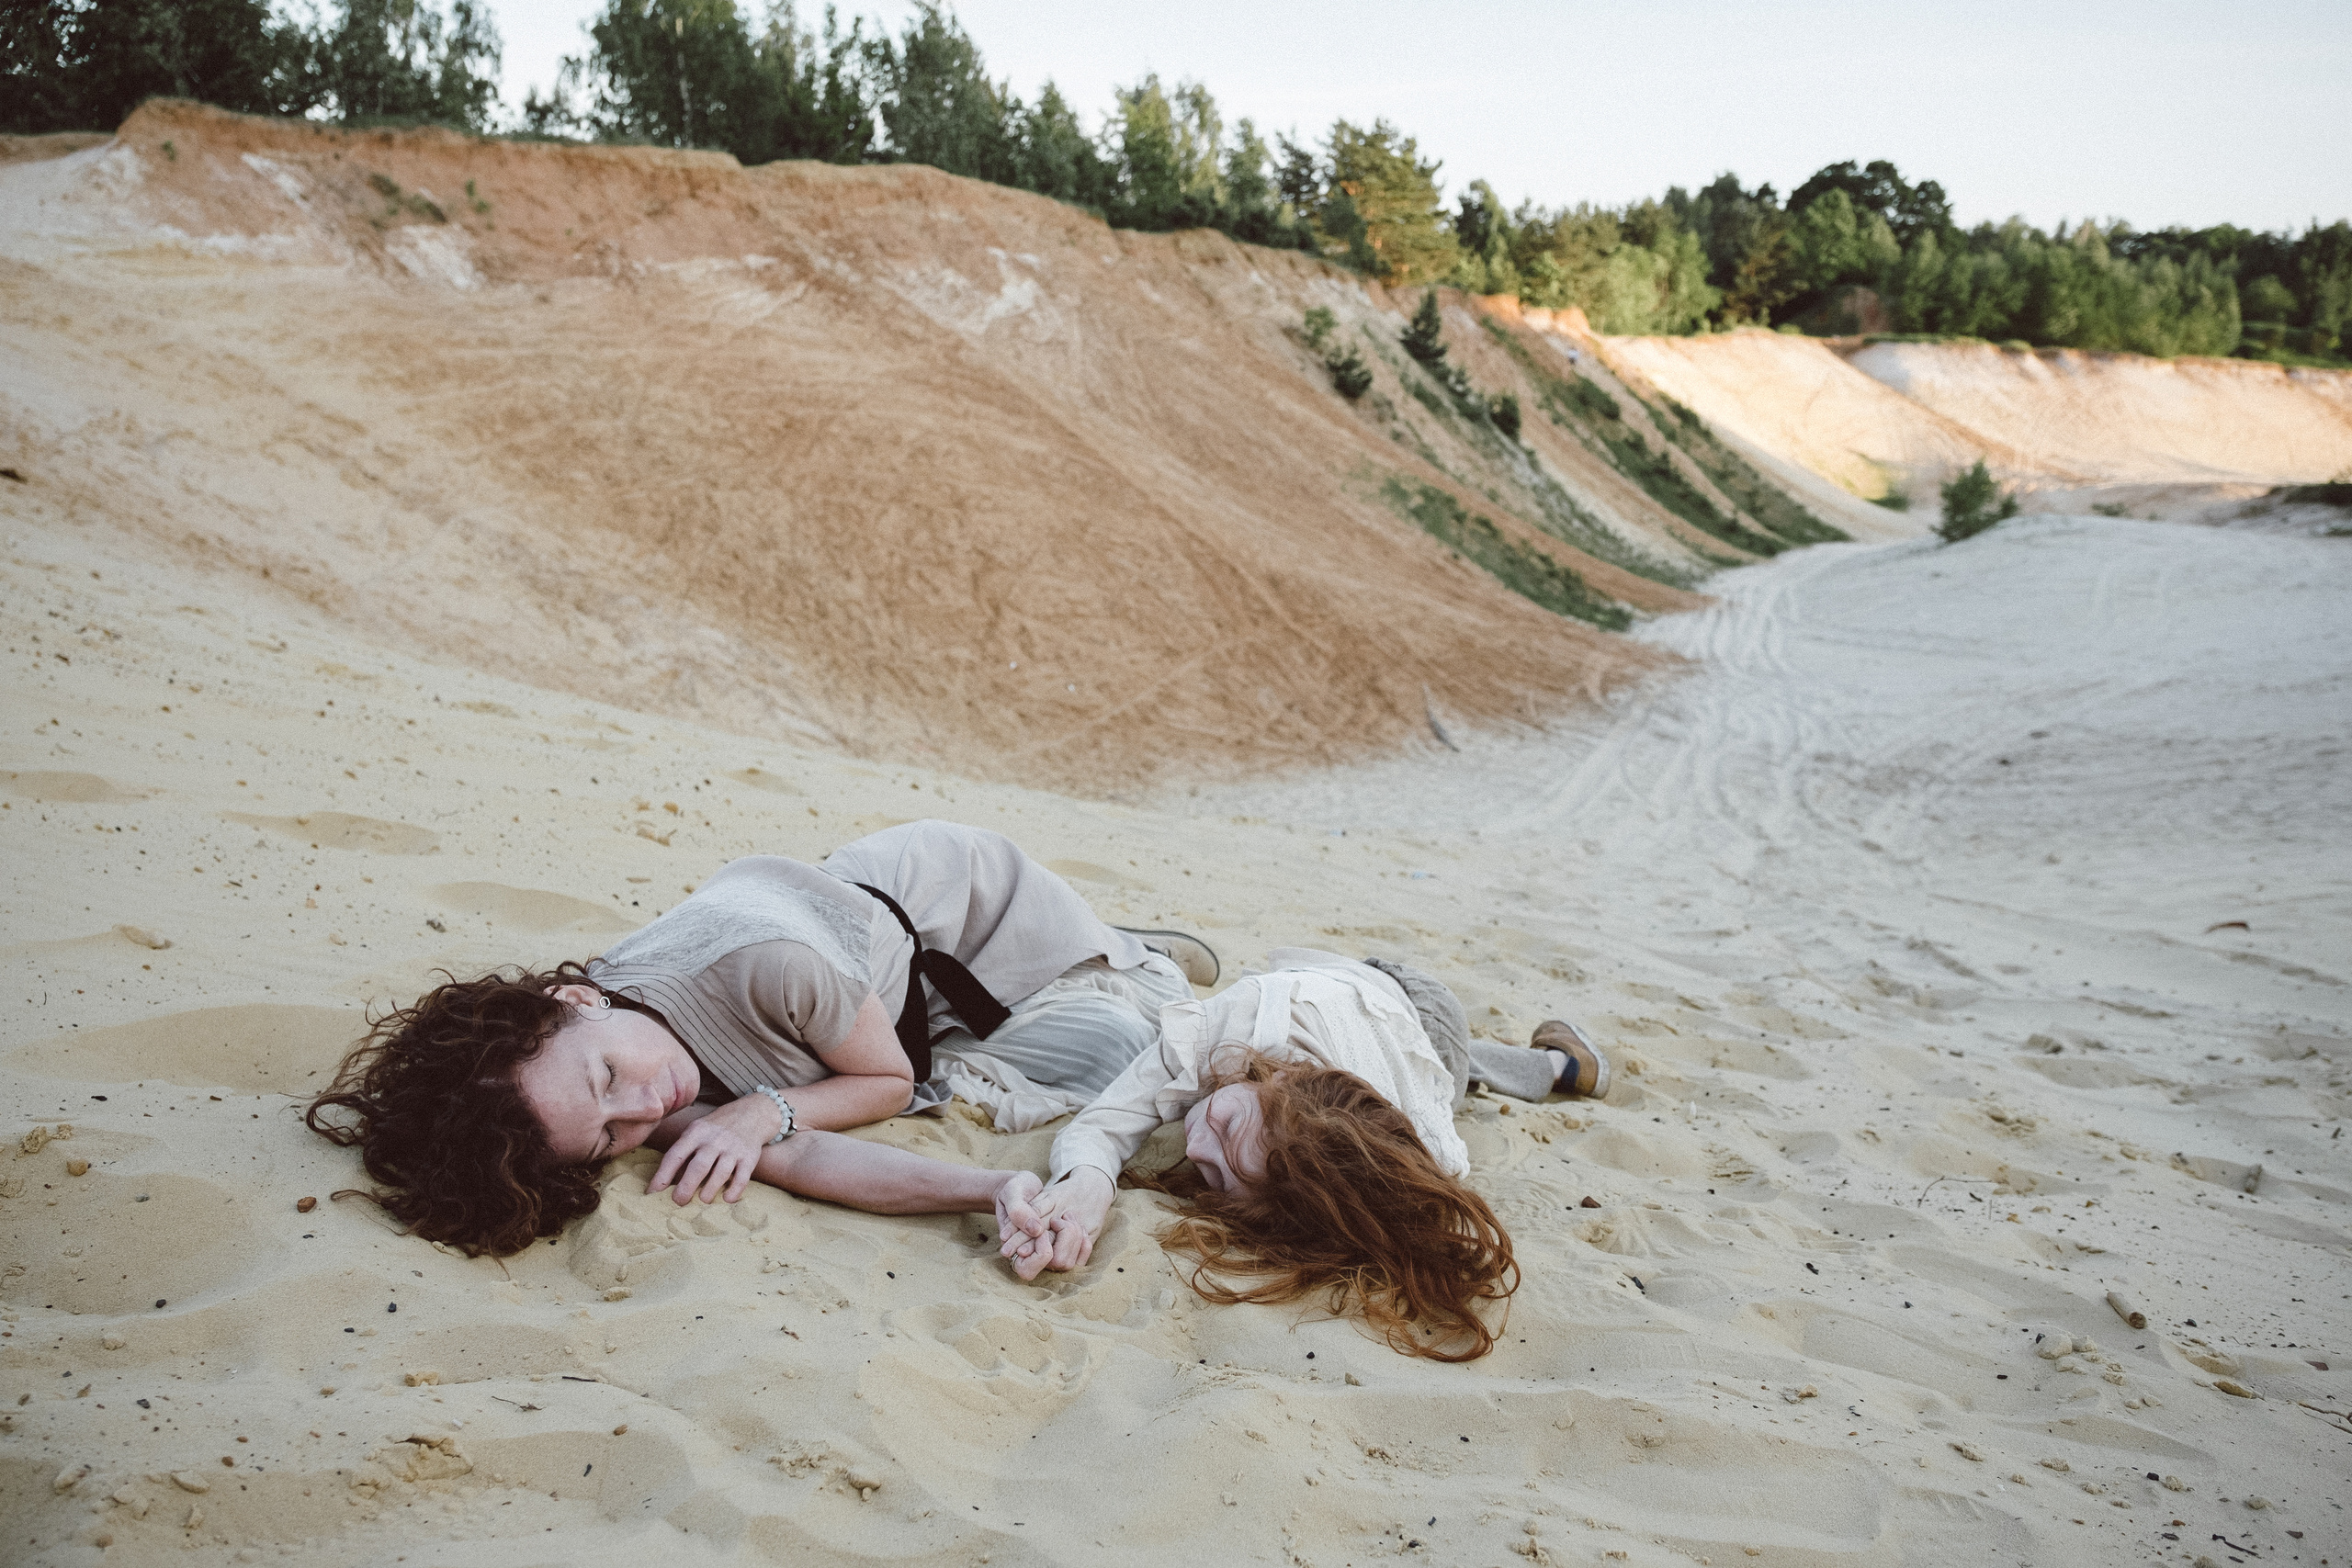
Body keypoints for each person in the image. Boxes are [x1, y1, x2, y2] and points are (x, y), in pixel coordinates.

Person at [304, 819, 1212, 1257]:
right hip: (868, 983)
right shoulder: (597, 1097)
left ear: (573, 997)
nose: (644, 1108)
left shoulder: (769, 964)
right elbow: (803, 1159)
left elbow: (888, 1085)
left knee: (1103, 1058)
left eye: (611, 1077)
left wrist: (758, 1109)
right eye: (613, 1135)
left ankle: (1121, 953)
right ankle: (1117, 950)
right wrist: (994, 1188)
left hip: (953, 917)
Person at [1000, 949, 1611, 1361]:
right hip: (1363, 985)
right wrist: (1088, 1183)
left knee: (1458, 1076)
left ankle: (1560, 1063)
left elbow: (1440, 1184)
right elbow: (1109, 1119)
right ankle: (1549, 1061)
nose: (1194, 1144)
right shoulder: (1242, 1017)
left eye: (1216, 1167)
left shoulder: (1418, 1128)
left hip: (1419, 1028)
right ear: (1275, 1077)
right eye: (1223, 1122)